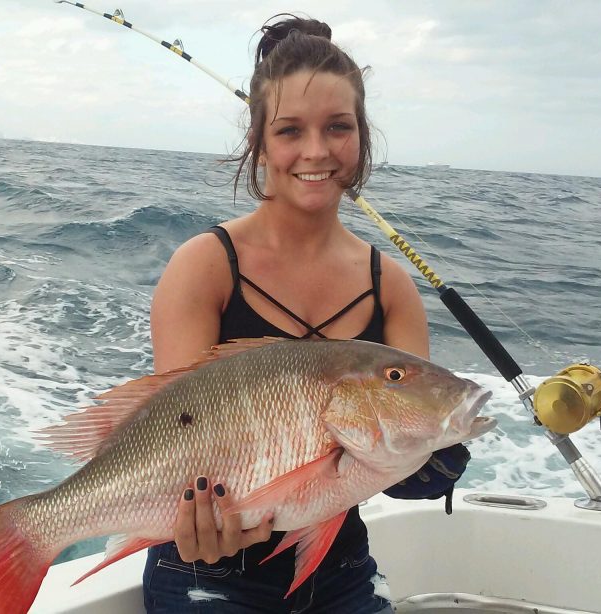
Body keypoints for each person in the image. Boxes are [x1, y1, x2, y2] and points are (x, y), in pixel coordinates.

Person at [144, 14, 471, 613]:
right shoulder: (205, 266)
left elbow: (393, 457)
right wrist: (198, 514)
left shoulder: (390, 287)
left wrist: (434, 459)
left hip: (340, 563)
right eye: (290, 130)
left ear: (362, 137)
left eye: (338, 127)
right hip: (201, 566)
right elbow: (176, 434)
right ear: (260, 143)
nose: (316, 151)